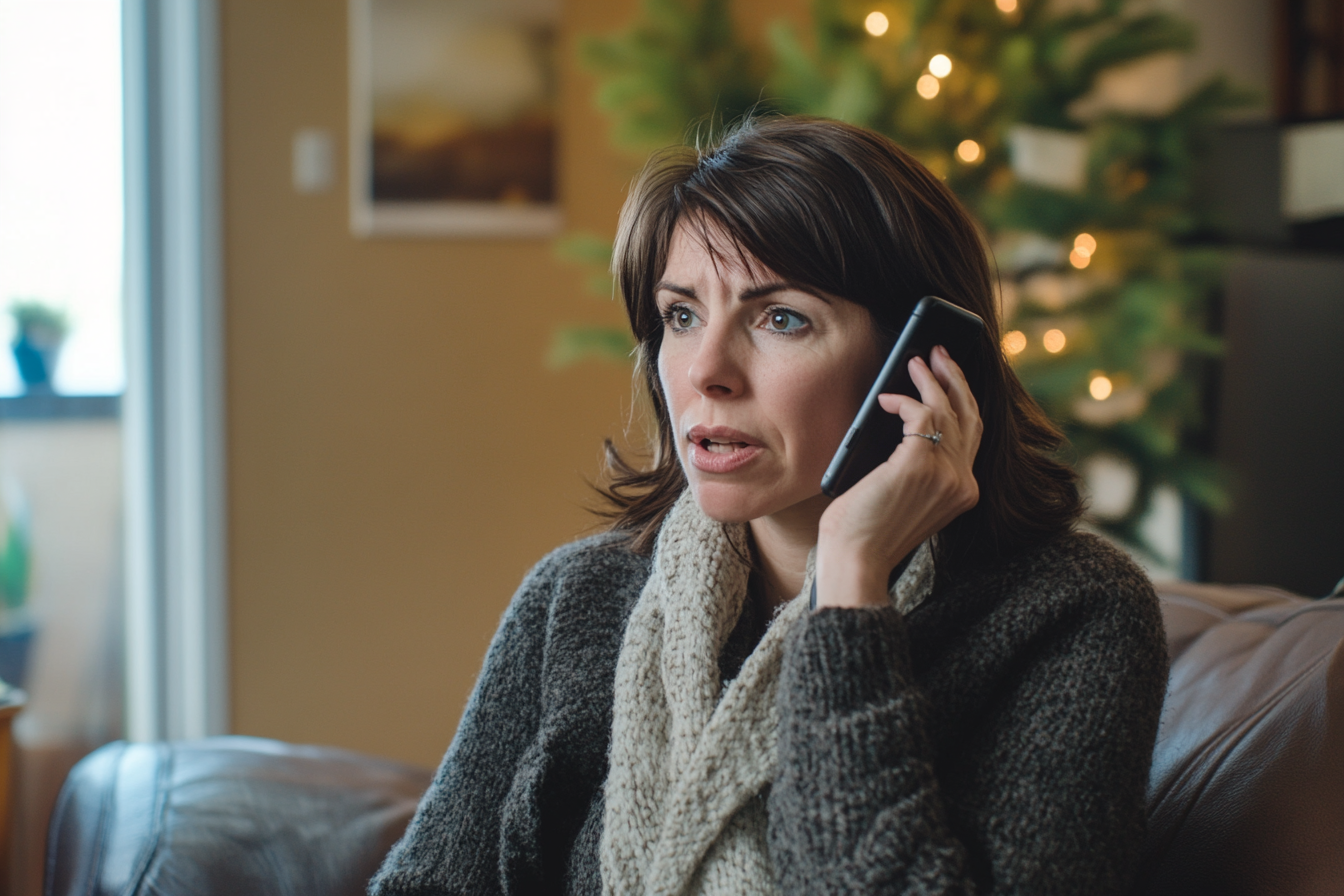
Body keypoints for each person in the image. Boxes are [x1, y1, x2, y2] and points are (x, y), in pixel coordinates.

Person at [368, 117, 1167, 896]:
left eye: (780, 318)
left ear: (921, 365)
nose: (706, 370)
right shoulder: (575, 600)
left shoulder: (1074, 614)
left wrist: (852, 590)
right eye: (681, 315)